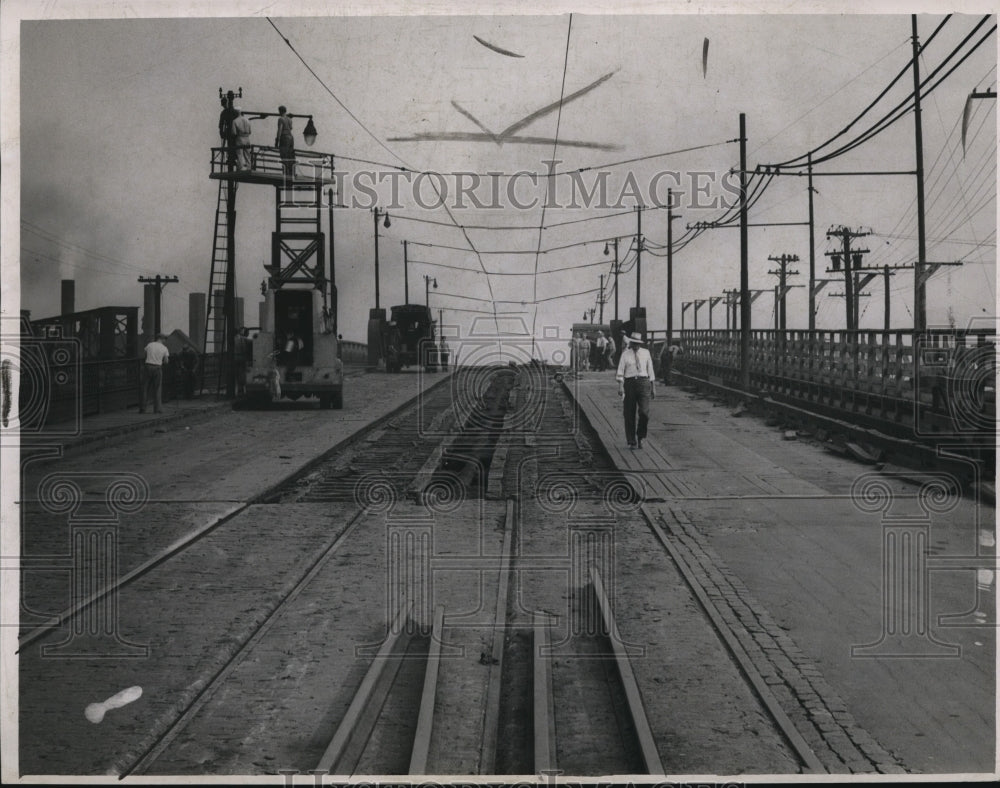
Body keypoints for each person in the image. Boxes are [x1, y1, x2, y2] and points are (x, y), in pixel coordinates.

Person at [616, 332, 656, 449]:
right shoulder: (625, 354)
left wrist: (653, 387)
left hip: (644, 383)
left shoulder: (646, 353)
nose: (636, 346)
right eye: (634, 343)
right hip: (629, 383)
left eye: (638, 344)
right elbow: (620, 371)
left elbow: (650, 370)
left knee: (644, 412)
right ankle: (632, 441)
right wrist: (620, 386)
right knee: (629, 413)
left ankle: (641, 436)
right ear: (631, 343)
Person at [140, 333, 170, 414]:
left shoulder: (149, 345)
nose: (165, 341)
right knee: (157, 389)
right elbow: (166, 361)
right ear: (162, 339)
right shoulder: (164, 348)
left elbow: (145, 355)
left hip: (148, 366)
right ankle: (157, 409)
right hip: (157, 368)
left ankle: (142, 409)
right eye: (165, 339)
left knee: (145, 388)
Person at [218, 93, 239, 165]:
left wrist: (222, 133)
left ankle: (231, 158)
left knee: (231, 146)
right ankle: (233, 158)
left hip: (230, 132)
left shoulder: (224, 113)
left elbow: (221, 125)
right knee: (233, 146)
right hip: (235, 133)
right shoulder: (236, 112)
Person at [276, 106, 295, 177]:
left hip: (284, 137)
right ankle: (291, 172)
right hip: (291, 137)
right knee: (290, 155)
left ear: (280, 111)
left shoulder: (281, 119)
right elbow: (291, 128)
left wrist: (277, 140)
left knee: (283, 155)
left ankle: (285, 172)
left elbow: (280, 130)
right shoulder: (289, 119)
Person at [231, 106, 252, 170]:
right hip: (247, 138)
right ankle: (249, 168)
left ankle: (240, 168)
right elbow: (250, 131)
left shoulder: (235, 121)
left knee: (239, 154)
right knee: (247, 154)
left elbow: (234, 133)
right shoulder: (247, 120)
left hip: (240, 138)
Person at [234, 327, 251, 394]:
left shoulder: (233, 339)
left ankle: (239, 389)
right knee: (242, 374)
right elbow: (252, 341)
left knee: (237, 375)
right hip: (242, 358)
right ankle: (242, 389)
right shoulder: (243, 339)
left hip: (235, 357)